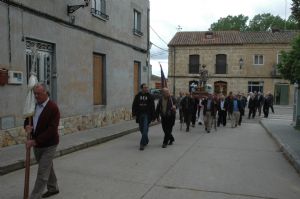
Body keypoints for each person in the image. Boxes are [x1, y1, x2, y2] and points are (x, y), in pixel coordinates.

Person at [24, 83, 60, 199]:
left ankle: (35, 196)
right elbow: (27, 120)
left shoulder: (53, 108)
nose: (36, 96)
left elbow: (52, 130)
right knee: (47, 167)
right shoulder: (33, 106)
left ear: (46, 93)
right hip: (37, 145)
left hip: (49, 145)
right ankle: (53, 188)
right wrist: (26, 127)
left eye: (38, 94)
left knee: (42, 172)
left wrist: (34, 141)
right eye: (35, 94)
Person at [132, 83, 155, 151]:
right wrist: (134, 114)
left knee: (145, 129)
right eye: (145, 87)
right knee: (141, 129)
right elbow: (134, 105)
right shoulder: (138, 96)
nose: (146, 89)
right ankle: (146, 139)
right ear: (142, 88)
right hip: (139, 115)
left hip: (147, 115)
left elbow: (152, 107)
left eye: (147, 87)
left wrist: (154, 116)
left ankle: (142, 144)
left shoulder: (150, 96)